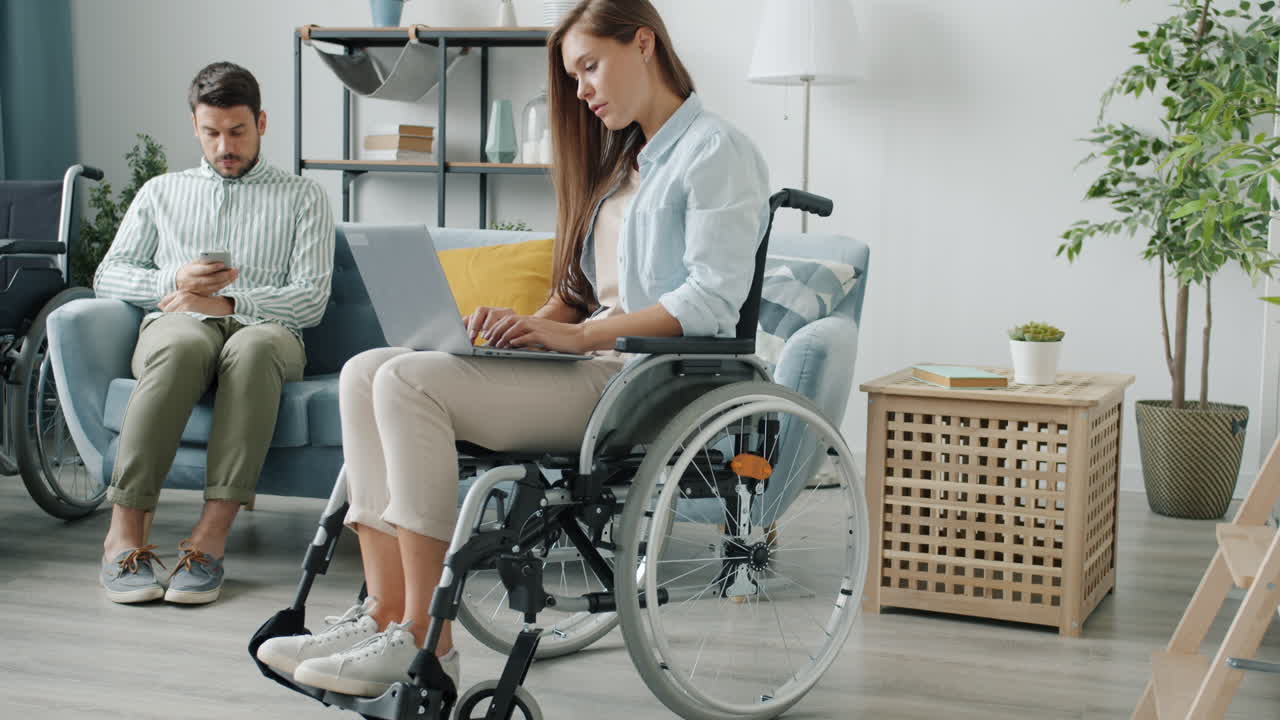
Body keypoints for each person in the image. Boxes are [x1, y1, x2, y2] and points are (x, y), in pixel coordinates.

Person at [256, 0, 769, 696]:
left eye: (590, 67)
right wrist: (522, 327)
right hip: (590, 364)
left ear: (643, 43)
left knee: (407, 383)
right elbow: (581, 295)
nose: (581, 90)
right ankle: (381, 611)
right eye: (575, 76)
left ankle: (426, 639)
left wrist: (577, 336)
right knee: (365, 369)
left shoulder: (717, 151)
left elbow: (710, 302)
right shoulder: (625, 163)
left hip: (642, 381)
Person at [95, 62, 335, 606]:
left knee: (252, 348)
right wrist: (175, 280)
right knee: (180, 345)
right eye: (212, 133)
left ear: (262, 123)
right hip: (179, 323)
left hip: (269, 330)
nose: (225, 146)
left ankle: (208, 541)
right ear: (195, 127)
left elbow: (310, 298)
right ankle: (123, 537)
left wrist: (229, 303)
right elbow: (108, 274)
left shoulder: (304, 196)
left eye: (237, 131)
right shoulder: (161, 192)